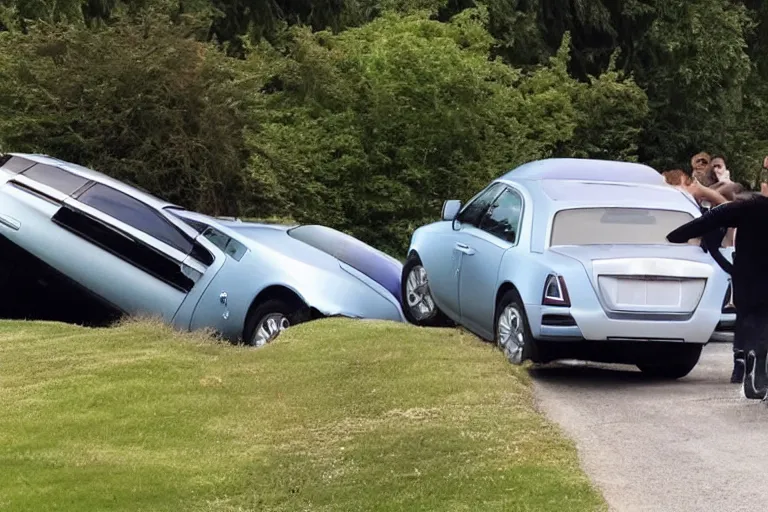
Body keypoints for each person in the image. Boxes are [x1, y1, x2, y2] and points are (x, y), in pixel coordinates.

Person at [666, 192, 768, 400]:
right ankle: (757, 368)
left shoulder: (748, 207)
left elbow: (706, 221)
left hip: (749, 278)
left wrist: (674, 237)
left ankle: (754, 364)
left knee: (753, 321)